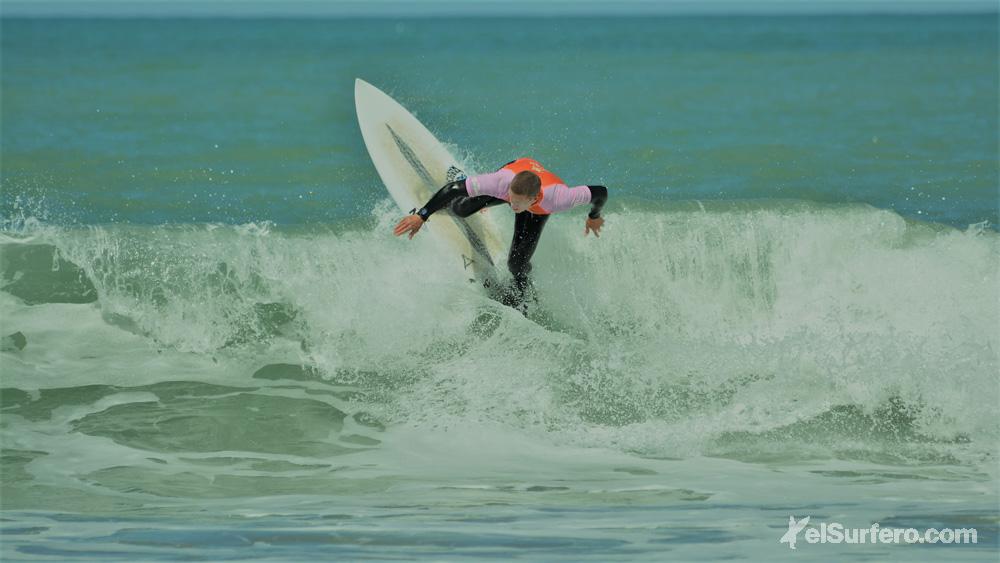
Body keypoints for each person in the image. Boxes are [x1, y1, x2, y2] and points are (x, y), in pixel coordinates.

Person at [393, 157, 608, 309]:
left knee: (516, 264)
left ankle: (524, 288)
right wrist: (422, 215)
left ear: (533, 199)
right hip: (515, 174)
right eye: (509, 199)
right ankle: (464, 175)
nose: (509, 204)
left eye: (514, 203)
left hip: (538, 206)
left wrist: (594, 217)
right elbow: (453, 189)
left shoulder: (560, 198)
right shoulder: (503, 185)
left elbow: (601, 192)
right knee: (461, 208)